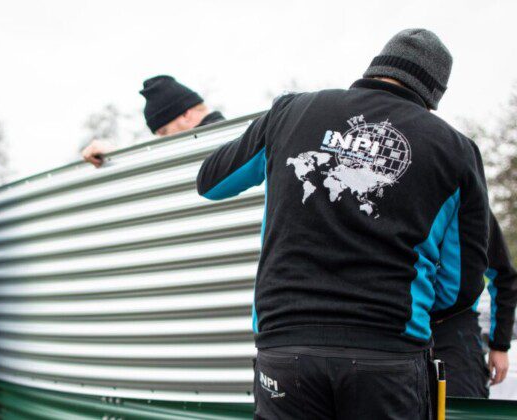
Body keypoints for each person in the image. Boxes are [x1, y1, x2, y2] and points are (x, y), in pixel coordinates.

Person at [197, 29, 488, 419]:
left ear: (375, 67)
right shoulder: (455, 149)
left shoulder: (290, 112)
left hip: (286, 345)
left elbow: (212, 182)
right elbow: (462, 286)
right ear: (433, 95)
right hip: (389, 355)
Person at [432, 211, 517, 397]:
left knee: (461, 398)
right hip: (399, 322)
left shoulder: (471, 200)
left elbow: (504, 276)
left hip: (455, 325)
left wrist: (500, 346)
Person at [82, 75, 225, 167]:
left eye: (164, 132)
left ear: (186, 115)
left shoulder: (220, 139)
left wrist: (117, 155)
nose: (161, 140)